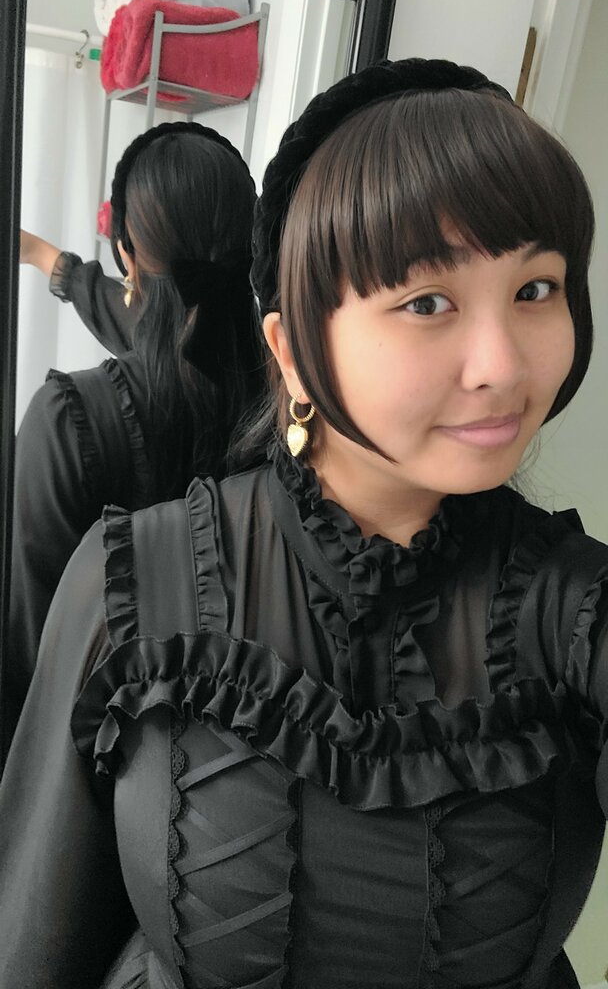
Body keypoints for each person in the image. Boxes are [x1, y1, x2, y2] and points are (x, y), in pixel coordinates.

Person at [0, 57, 606, 989]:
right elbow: (32, 942)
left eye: (536, 290)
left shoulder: (575, 608)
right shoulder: (132, 584)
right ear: (290, 348)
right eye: (428, 303)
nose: (503, 366)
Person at [5, 120, 261, 750]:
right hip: (249, 749)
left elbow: (29, 662)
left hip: (91, 760)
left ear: (126, 255)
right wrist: (42, 256)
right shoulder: (293, 392)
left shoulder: (67, 425)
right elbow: (149, 316)